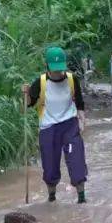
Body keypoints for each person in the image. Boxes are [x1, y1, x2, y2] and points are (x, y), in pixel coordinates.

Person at [22, 46, 89, 204]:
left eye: (61, 69)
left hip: (70, 125)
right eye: (55, 69)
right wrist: (25, 95)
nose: (59, 73)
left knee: (76, 160)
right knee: (50, 166)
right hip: (48, 128)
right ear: (47, 66)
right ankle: (51, 197)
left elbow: (79, 102)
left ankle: (82, 199)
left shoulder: (72, 79)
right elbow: (26, 106)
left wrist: (82, 119)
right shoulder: (40, 82)